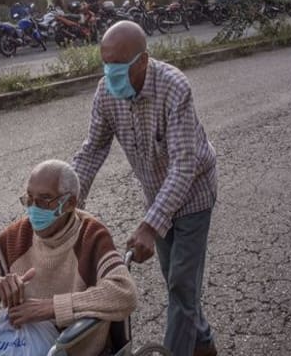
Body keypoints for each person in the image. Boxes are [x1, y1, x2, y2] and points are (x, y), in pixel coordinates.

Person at [72, 21, 218, 356]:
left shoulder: (174, 87)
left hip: (194, 192)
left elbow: (184, 165)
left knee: (182, 285)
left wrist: (150, 226)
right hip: (158, 194)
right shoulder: (106, 92)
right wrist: (68, 203)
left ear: (143, 61)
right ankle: (205, 343)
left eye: (118, 68)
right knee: (176, 282)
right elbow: (92, 149)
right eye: (105, 66)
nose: (110, 75)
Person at [0, 159, 137, 356]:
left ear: (70, 203)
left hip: (75, 347)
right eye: (29, 199)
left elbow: (124, 292)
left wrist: (52, 307)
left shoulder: (91, 236)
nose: (34, 208)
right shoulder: (21, 234)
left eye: (44, 199)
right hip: (27, 340)